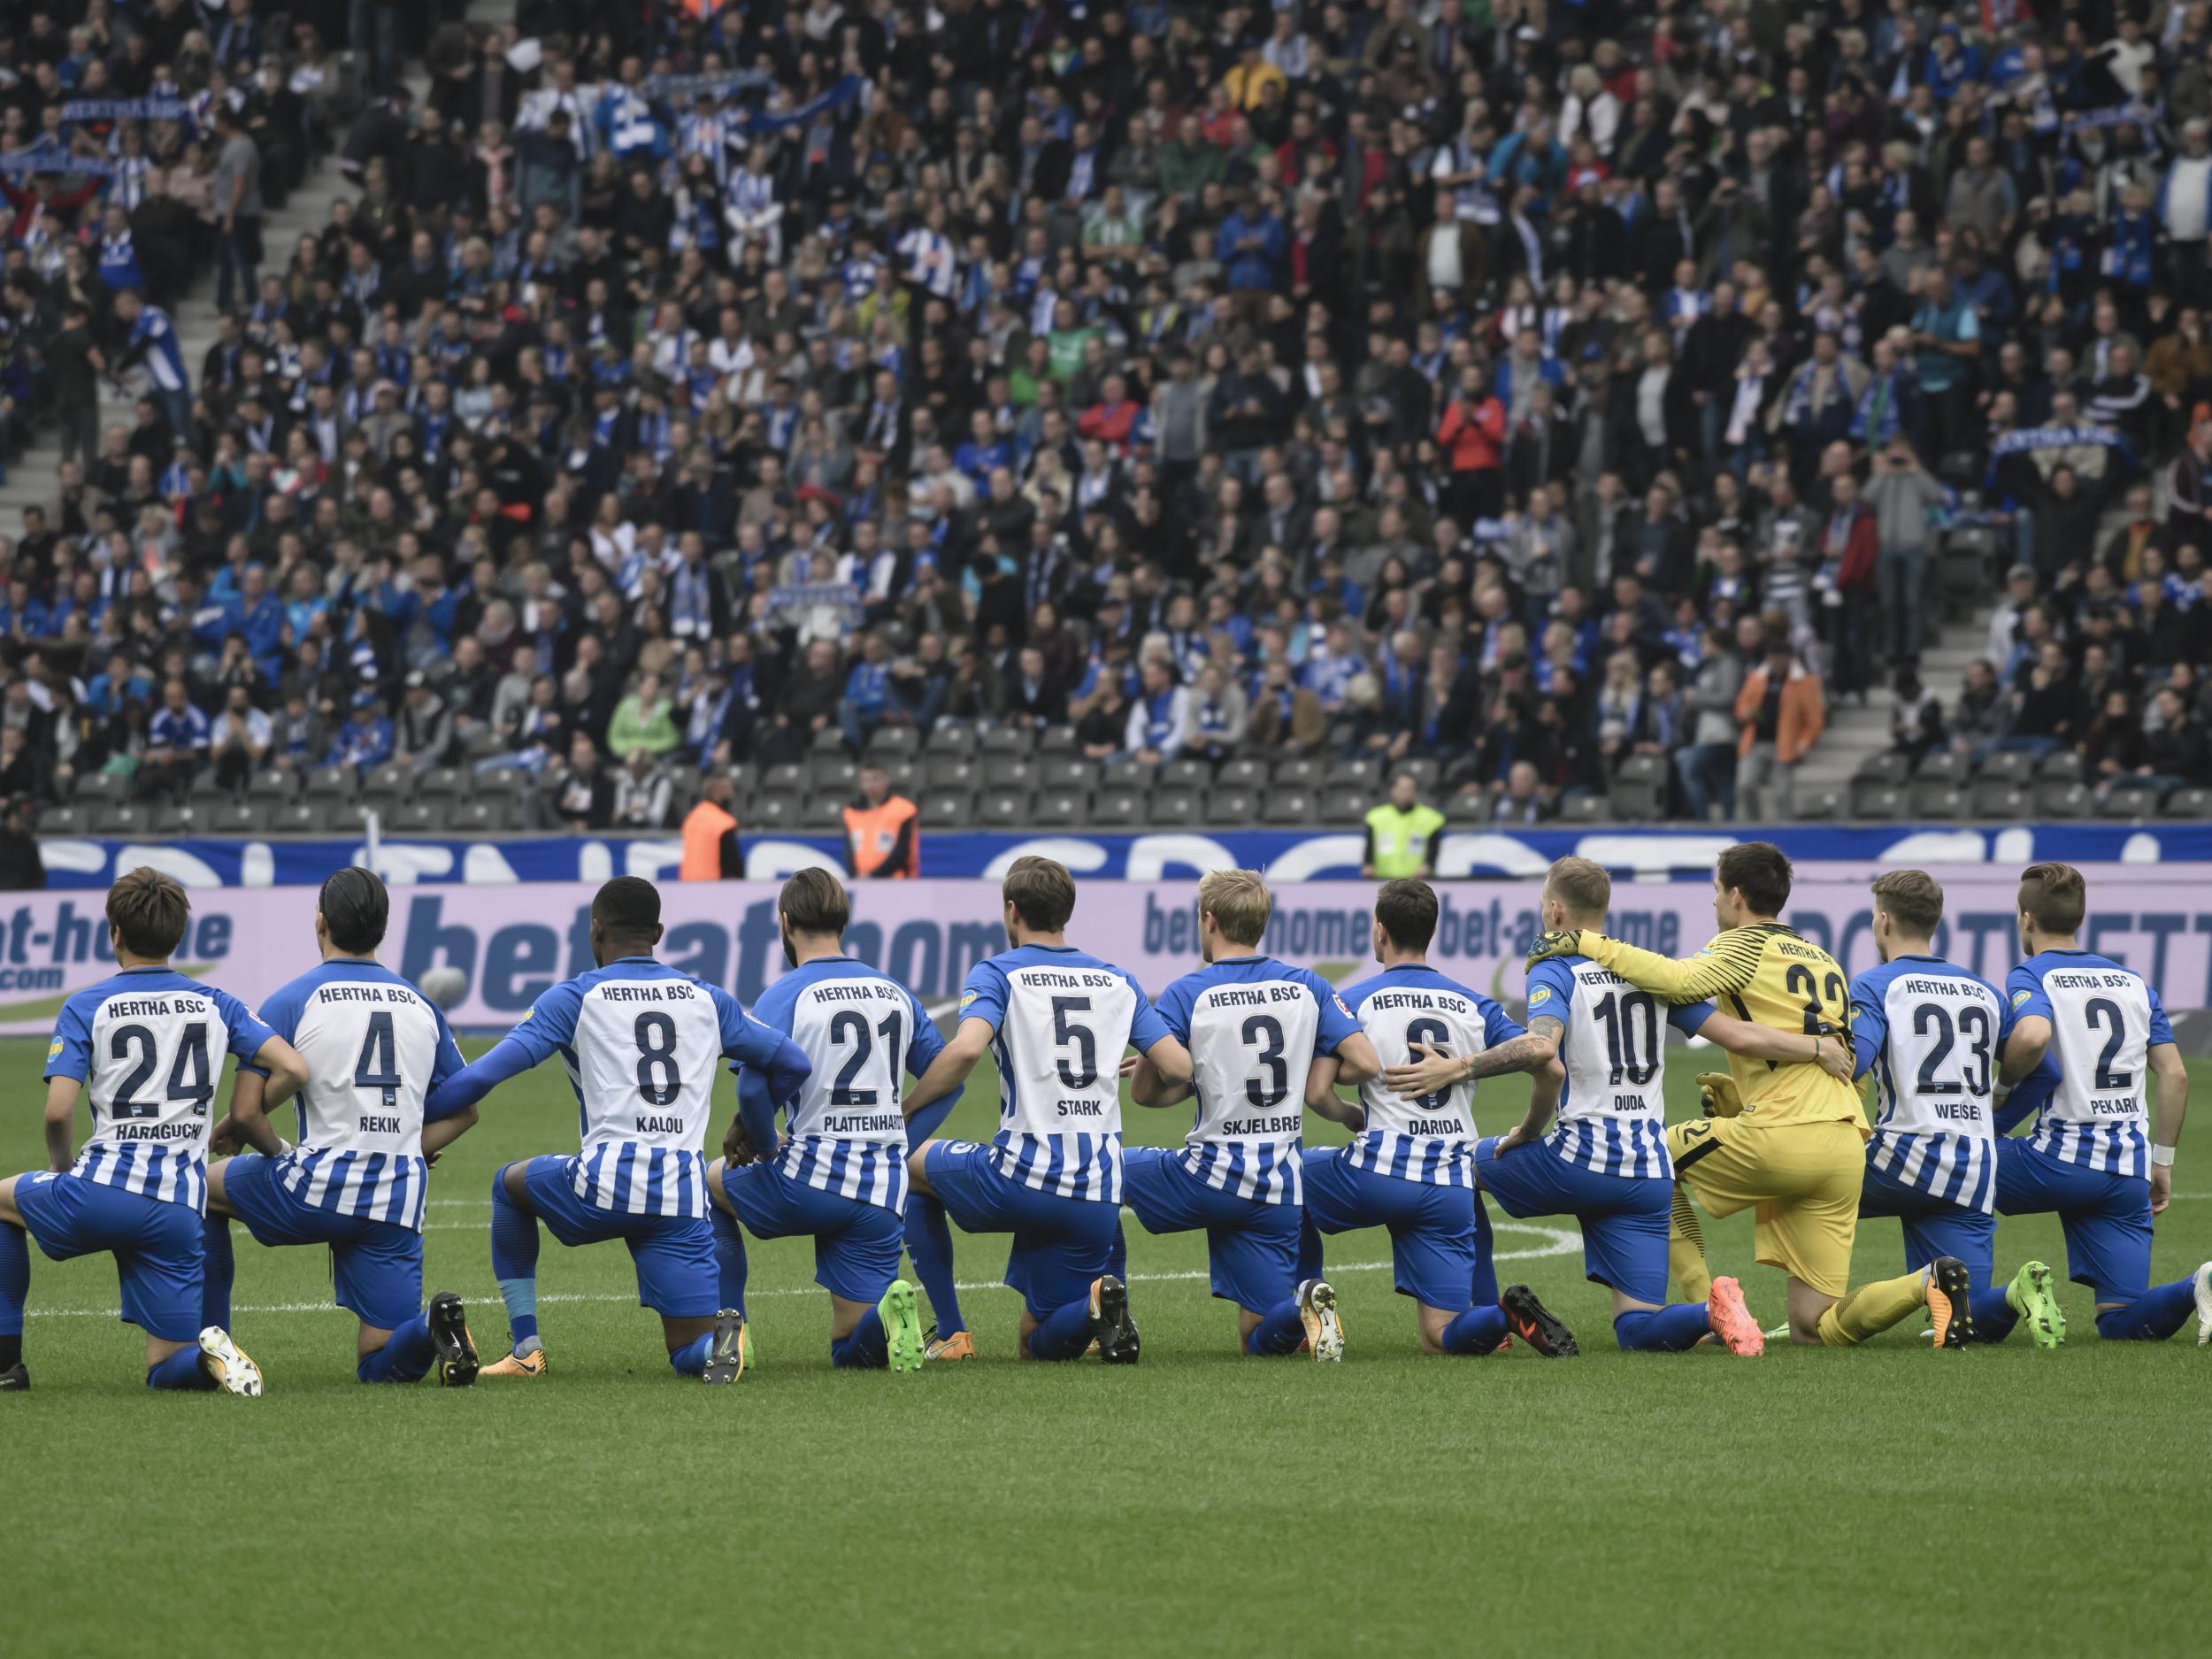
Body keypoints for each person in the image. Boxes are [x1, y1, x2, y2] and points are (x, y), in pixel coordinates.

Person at [1526, 842, 1977, 1348]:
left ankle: (1706, 1305)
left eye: (1717, 891)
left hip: (1785, 1135)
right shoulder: (1824, 959)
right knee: (1815, 1326)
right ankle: (1926, 1281)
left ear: (1737, 895)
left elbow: (1679, 981)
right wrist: (1747, 1105)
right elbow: (1846, 1062)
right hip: (1845, 1141)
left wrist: (1584, 941)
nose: (1714, 902)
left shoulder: (1746, 944)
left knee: (1653, 1157)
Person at [1386, 857, 1824, 1355]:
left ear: (1554, 911)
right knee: (1638, 1329)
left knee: (1453, 1169)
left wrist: (1458, 1067)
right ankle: (1712, 1309)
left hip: (1581, 1159)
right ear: (1604, 909)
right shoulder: (1652, 971)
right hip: (1647, 1173)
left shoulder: (1555, 968)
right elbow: (1739, 1036)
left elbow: (1540, 1047)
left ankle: (1486, 1318)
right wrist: (1817, 1048)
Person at [422, 878, 812, 1381]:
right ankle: (721, 1339)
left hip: (602, 1185)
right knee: (686, 1351)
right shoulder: (707, 999)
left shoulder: (573, 997)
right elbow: (792, 1063)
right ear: (659, 931)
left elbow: (481, 1077)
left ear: (595, 930)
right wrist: (750, 1125)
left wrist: (417, 1118)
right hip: (681, 1198)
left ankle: (527, 1349)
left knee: (509, 1186)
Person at [0, 868, 305, 1393]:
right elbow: (294, 1070)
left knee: (1, 1203)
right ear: (179, 936)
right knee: (166, 1369)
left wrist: (58, 1166)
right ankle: (212, 1358)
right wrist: (237, 1120)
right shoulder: (218, 1003)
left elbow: (56, 1112)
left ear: (114, 932)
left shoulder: (88, 1005)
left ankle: (6, 1366)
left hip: (98, 1191)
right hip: (178, 1208)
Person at [899, 856, 1192, 1362]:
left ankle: (952, 1332)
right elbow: (1181, 1067)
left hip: (1020, 1179)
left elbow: (967, 1050)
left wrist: (905, 1109)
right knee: (1036, 1341)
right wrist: (1139, 1055)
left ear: (1012, 911)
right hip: (1098, 1192)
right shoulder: (1116, 979)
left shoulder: (998, 972)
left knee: (908, 1167)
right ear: (1067, 912)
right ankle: (1095, 1307)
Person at [202, 868, 483, 1385]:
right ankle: (427, 1329)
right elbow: (465, 1109)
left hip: (316, 1186)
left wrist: (280, 1153)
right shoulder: (421, 1005)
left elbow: (245, 1115)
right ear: (383, 927)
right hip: (395, 1197)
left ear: (320, 922)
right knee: (380, 1365)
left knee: (197, 1191)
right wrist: (409, 1148)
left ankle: (213, 1347)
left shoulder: (292, 999)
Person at [1302, 877, 1580, 1358]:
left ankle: (1302, 1316)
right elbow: (1549, 1065)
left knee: (1281, 1182)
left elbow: (1318, 1093)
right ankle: (1502, 1316)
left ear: (1380, 930)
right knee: (1440, 1337)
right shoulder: (1473, 1003)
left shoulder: (1353, 999)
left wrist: (1349, 1115)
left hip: (1378, 1171)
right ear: (1432, 932)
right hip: (1450, 1182)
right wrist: (1528, 1128)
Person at [1124, 870, 1379, 1359]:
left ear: (1209, 919)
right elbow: (1367, 1062)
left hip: (1209, 1177)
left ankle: (1099, 1312)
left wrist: (1159, 1058)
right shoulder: (1307, 986)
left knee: (1097, 1174)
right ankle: (1300, 1303)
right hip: (1279, 1186)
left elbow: (1148, 1096)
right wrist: (1314, 1066)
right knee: (1258, 1339)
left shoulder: (1188, 992)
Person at [706, 870, 942, 1372]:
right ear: (845, 919)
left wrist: (767, 1145)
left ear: (786, 923)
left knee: (706, 1183)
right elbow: (949, 1079)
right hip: (880, 1187)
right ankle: (886, 1319)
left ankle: (729, 1332)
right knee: (849, 1346)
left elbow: (750, 1087)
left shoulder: (787, 992)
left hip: (806, 1180)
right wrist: (900, 1145)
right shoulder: (893, 991)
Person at [1844, 870, 2065, 1348]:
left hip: (1897, 1158)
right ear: (1935, 922)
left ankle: (1808, 1316)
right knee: (1967, 1317)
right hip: (1972, 1166)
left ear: (1883, 921)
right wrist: (1992, 1123)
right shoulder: (1983, 990)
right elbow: (2046, 1073)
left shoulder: (1875, 984)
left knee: (1799, 1187)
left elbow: (1854, 1061)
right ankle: (2014, 1294)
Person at [1994, 863, 2210, 1342]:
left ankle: (1969, 1308)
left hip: (2055, 1161)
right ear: (2080, 918)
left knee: (1948, 1169)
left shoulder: (2031, 974)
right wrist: (2162, 1162)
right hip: (2125, 1173)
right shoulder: (2134, 984)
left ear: (2026, 919)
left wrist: (2003, 1090)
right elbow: (2174, 1076)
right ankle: (2201, 1282)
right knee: (2122, 1320)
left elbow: (2031, 1038)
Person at [1360, 769, 1444, 879]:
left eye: (1409, 789)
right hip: (1383, 879)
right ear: (1393, 790)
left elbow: (1433, 847)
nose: (1406, 793)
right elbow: (1370, 846)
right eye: (1403, 789)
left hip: (1416, 881)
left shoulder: (1430, 818)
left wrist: (1427, 865)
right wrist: (1368, 864)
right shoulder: (1376, 817)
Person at [843, 763, 918, 879]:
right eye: (866, 780)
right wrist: (855, 875)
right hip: (861, 881)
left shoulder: (903, 810)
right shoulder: (851, 813)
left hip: (897, 881)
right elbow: (849, 850)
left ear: (886, 781)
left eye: (875, 779)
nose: (871, 785)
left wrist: (874, 876)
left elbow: (902, 851)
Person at [678, 773, 741, 880]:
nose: (732, 795)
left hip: (687, 886)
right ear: (716, 792)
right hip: (714, 887)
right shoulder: (724, 823)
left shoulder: (692, 818)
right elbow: (732, 867)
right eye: (728, 790)